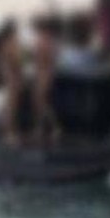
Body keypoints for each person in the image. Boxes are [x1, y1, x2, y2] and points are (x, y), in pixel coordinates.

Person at [31, 17, 61, 145]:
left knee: (41, 102)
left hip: (44, 73)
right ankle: (41, 128)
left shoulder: (44, 42)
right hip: (45, 73)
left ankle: (53, 127)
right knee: (41, 102)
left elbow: (40, 58)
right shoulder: (51, 42)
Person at [0, 21, 23, 146]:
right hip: (12, 76)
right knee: (11, 106)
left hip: (8, 76)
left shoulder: (3, 44)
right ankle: (9, 133)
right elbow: (17, 61)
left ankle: (8, 131)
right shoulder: (11, 45)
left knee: (9, 105)